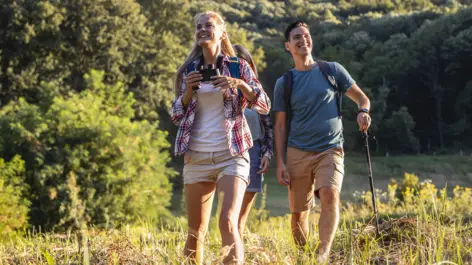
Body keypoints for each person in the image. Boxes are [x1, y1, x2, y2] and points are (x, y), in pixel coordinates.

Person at [171, 11, 270, 265]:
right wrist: (188, 92)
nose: (202, 29)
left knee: (227, 221)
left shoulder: (238, 67)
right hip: (197, 157)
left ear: (222, 32)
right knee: (195, 233)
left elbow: (264, 104)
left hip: (232, 154)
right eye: (198, 26)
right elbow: (176, 115)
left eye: (209, 25)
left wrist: (239, 84)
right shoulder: (188, 71)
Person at [272, 21, 371, 263]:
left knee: (330, 194)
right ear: (288, 46)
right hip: (297, 152)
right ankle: (304, 258)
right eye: (297, 37)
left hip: (330, 149)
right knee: (298, 214)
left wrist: (362, 111)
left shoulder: (332, 70)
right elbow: (280, 126)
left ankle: (322, 255)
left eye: (306, 35)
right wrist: (281, 163)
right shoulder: (285, 83)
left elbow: (361, 98)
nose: (303, 39)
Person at [232, 44, 273, 240]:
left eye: (245, 65)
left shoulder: (258, 95)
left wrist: (267, 153)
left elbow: (267, 125)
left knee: (240, 217)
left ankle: (237, 251)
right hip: (229, 151)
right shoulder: (224, 93)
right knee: (229, 212)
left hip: (254, 151)